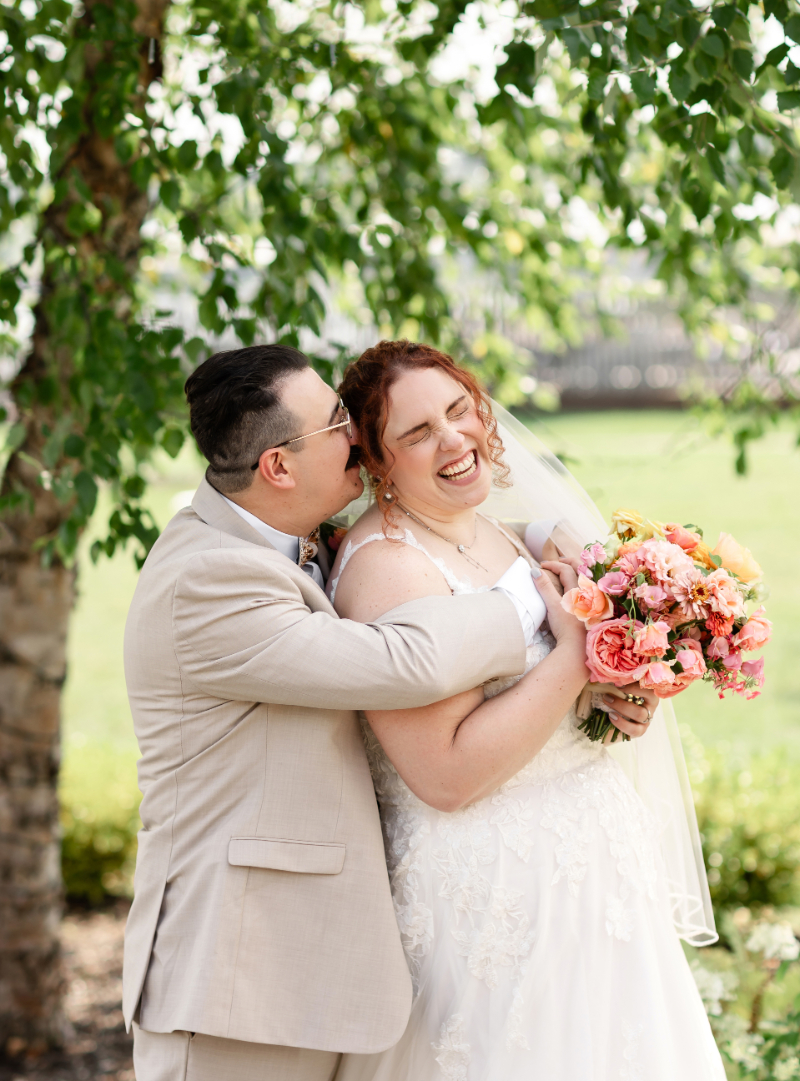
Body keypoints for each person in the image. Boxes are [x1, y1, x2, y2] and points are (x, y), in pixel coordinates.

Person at [122, 344, 545, 1081]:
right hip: (236, 983)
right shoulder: (206, 582)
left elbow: (438, 533)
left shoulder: (281, 534)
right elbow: (403, 662)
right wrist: (534, 594)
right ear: (278, 468)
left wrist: (535, 538)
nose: (357, 432)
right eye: (337, 422)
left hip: (315, 961)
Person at [331, 340, 726, 1081]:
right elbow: (443, 773)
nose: (452, 439)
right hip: (492, 903)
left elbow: (540, 699)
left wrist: (606, 699)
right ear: (378, 463)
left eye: (457, 411)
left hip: (596, 886)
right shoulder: (388, 569)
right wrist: (577, 655)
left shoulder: (502, 532)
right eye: (416, 433)